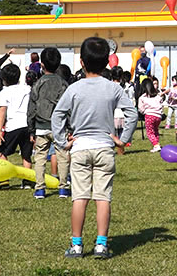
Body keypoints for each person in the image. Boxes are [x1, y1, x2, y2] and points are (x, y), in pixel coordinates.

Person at [50, 37, 137, 259]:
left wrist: (63, 142)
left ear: (81, 62)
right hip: (105, 147)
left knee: (80, 197)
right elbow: (132, 113)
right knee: (103, 197)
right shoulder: (113, 88)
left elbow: (58, 115)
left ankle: (77, 245)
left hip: (79, 147)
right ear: (108, 61)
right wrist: (122, 139)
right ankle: (100, 245)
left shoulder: (74, 89)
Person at [28, 47, 70, 199]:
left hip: (40, 126)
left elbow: (31, 108)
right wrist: (70, 127)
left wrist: (31, 129)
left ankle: (40, 188)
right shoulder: (63, 84)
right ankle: (64, 187)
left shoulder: (37, 84)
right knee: (62, 156)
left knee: (39, 157)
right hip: (59, 126)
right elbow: (68, 107)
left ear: (42, 65)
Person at [0, 63, 33, 185]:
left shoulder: (4, 92)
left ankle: (3, 179)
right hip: (27, 125)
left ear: (3, 79)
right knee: (26, 155)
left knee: (3, 152)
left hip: (13, 126)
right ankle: (27, 181)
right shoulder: (27, 89)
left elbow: (2, 111)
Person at [137, 81, 165, 152]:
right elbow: (161, 105)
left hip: (149, 116)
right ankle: (157, 143)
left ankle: (156, 145)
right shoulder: (158, 96)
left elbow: (140, 108)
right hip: (158, 116)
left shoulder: (142, 98)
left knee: (150, 132)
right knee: (155, 130)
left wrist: (143, 112)